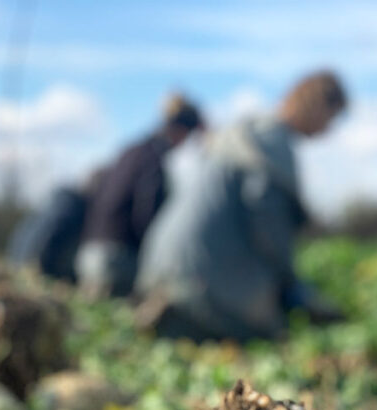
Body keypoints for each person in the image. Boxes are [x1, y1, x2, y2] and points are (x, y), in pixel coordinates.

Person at [134, 70, 347, 342]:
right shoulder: (273, 143)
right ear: (318, 107)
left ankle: (172, 310)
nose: (328, 129)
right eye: (331, 118)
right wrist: (291, 286)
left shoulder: (239, 134)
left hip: (156, 269)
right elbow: (268, 222)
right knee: (269, 335)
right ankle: (191, 316)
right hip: (202, 282)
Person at [76, 94, 204, 298]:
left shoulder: (130, 150)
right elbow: (146, 213)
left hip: (87, 254)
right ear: (181, 132)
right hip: (118, 261)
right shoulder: (154, 159)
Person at [5, 169, 103, 284]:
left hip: (15, 260)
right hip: (34, 265)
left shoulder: (54, 202)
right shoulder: (74, 208)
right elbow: (51, 236)